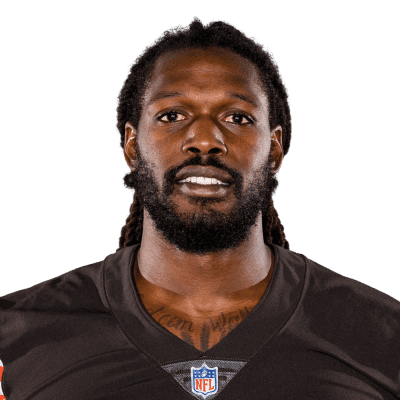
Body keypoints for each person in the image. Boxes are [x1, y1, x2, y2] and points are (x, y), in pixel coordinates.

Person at [0, 19, 399, 400]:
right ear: (132, 145)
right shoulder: (15, 334)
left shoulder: (382, 333)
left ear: (274, 149)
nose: (205, 139)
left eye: (237, 117)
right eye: (172, 115)